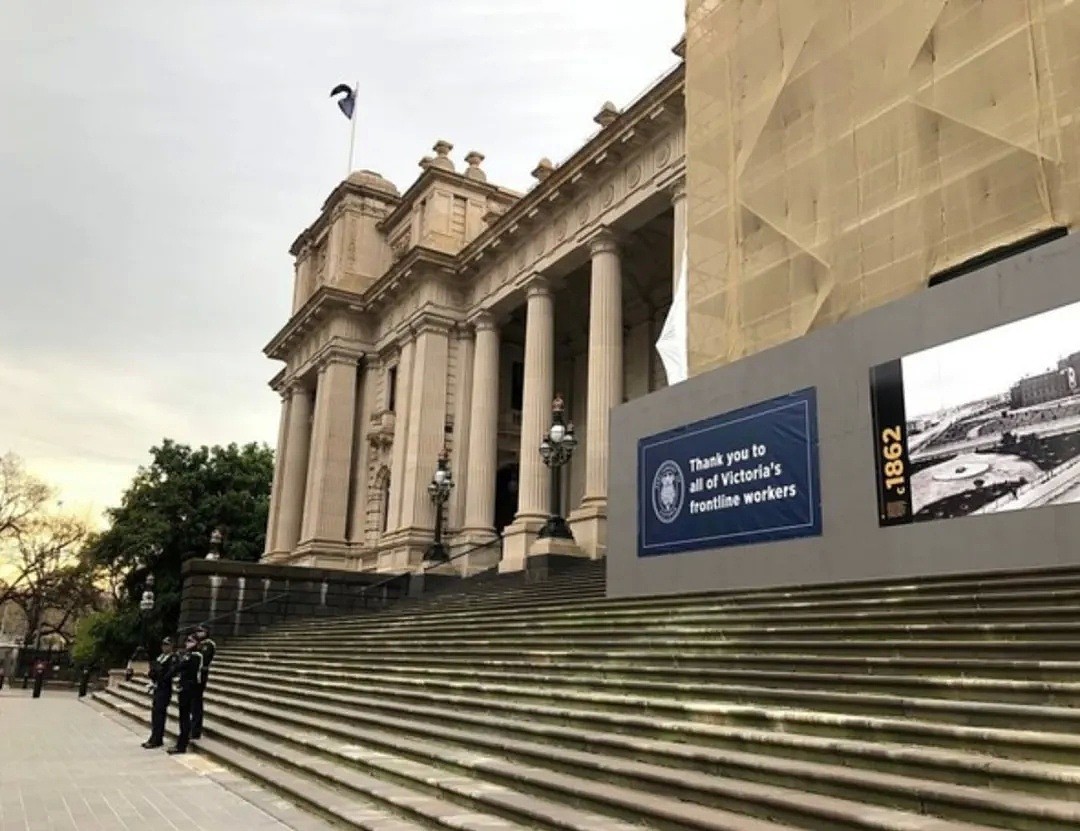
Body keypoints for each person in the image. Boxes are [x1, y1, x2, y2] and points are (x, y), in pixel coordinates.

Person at [167, 634, 203, 755]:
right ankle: (181, 742)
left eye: (190, 641)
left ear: (197, 643)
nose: (187, 643)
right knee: (183, 717)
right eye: (186, 641)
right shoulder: (188, 655)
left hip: (189, 689)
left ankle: (182, 744)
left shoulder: (196, 656)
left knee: (185, 718)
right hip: (184, 687)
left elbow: (181, 667)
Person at [142, 637, 177, 749]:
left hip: (164, 687)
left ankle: (157, 738)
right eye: (163, 645)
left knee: (159, 713)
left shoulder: (173, 658)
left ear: (171, 646)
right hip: (158, 686)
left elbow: (170, 673)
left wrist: (159, 675)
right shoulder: (160, 657)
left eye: (167, 645)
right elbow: (153, 672)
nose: (164, 647)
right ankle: (154, 736)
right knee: (155, 713)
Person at [190, 624, 216, 740]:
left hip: (200, 676)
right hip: (193, 676)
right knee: (192, 704)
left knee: (196, 703)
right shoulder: (198, 644)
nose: (198, 633)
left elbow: (203, 659)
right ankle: (192, 727)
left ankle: (195, 730)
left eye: (201, 631)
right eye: (197, 631)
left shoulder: (209, 644)